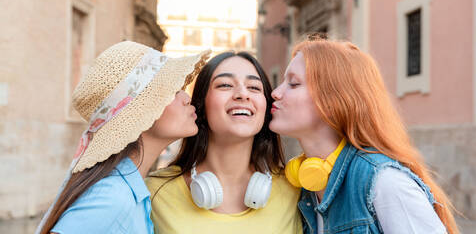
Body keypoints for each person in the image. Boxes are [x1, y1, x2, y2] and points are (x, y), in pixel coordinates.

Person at [270, 35, 458, 234]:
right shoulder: (308, 188)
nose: (275, 92)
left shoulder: (384, 182)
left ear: (333, 101)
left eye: (293, 84)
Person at [36, 41, 210, 234]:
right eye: (173, 91)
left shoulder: (127, 192)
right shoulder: (113, 198)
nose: (186, 98)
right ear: (142, 110)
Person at [146, 51, 303, 234]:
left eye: (254, 87)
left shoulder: (296, 189)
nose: (242, 94)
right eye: (225, 85)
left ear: (267, 107)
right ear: (200, 106)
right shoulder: (154, 192)